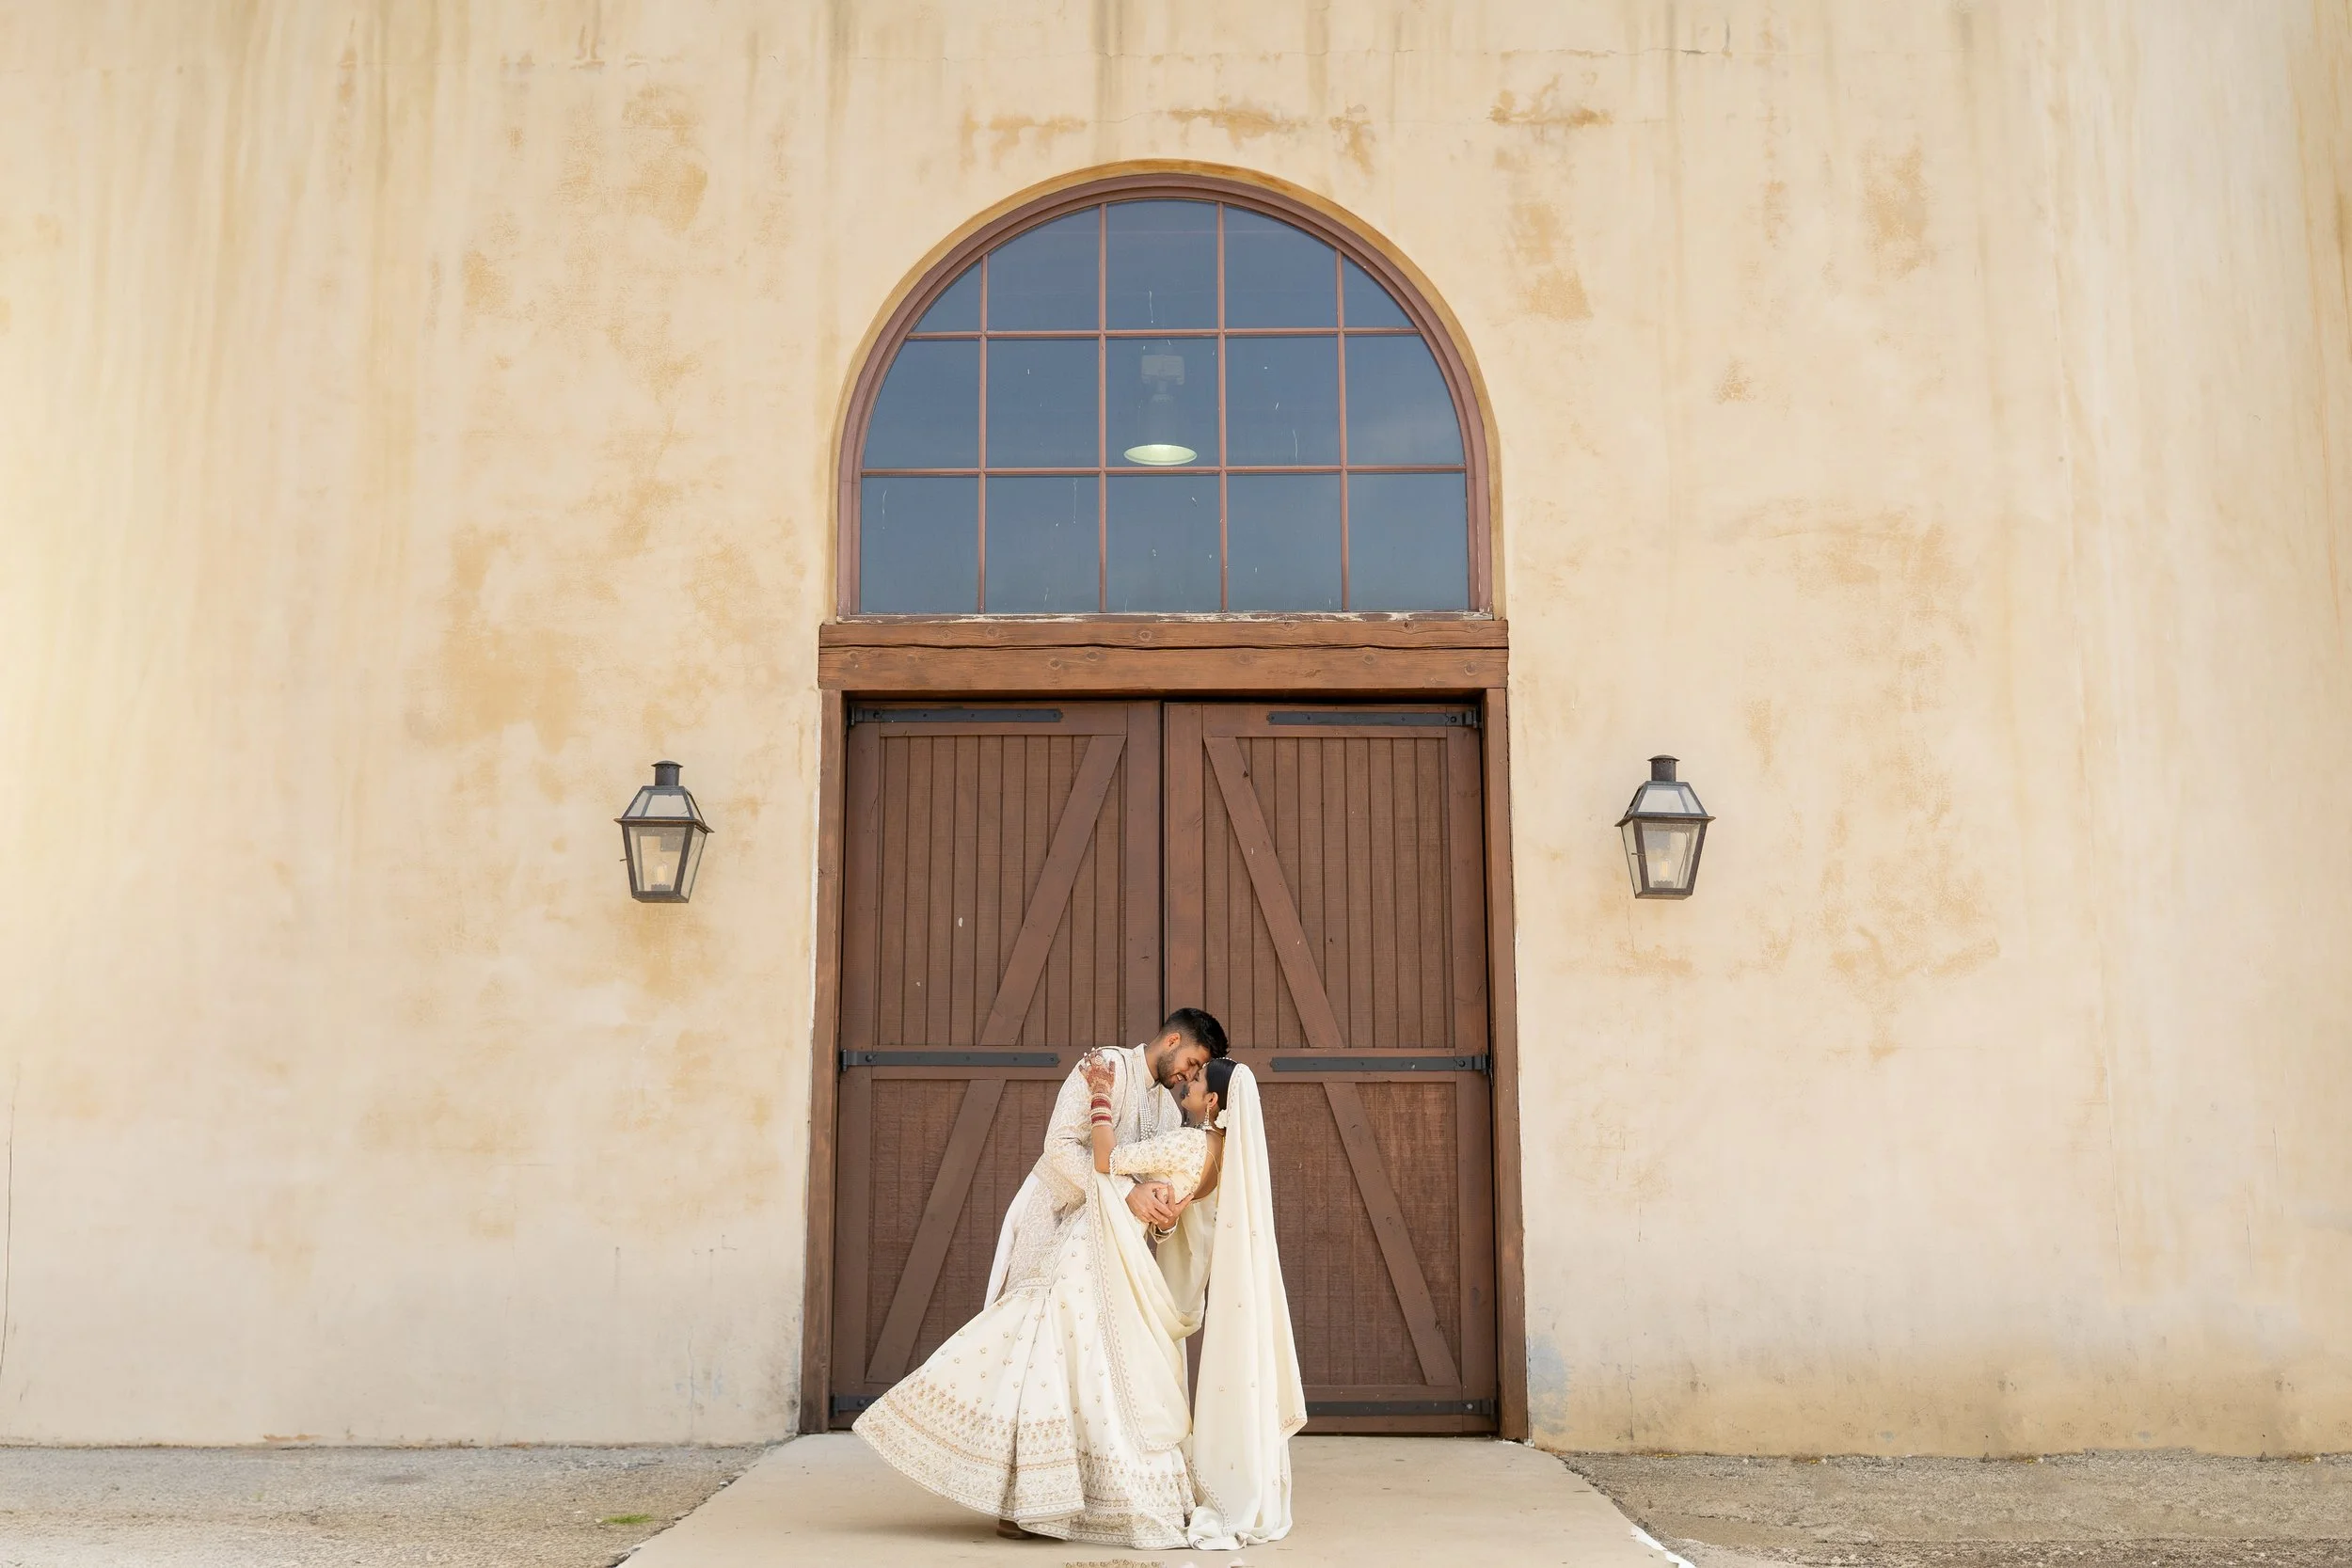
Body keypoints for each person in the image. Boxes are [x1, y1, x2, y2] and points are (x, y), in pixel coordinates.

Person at [852, 1010, 1229, 1548]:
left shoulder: (1166, 1109)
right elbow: (1060, 1146)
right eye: (1191, 1062)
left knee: (1086, 1365)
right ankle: (1018, 1503)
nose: (1188, 1076)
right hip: (1054, 1219)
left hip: (1111, 1246)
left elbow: (1151, 1182)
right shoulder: (1102, 1067)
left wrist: (1159, 1214)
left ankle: (1062, 1494)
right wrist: (1125, 1194)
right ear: (1172, 1040)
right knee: (1035, 1352)